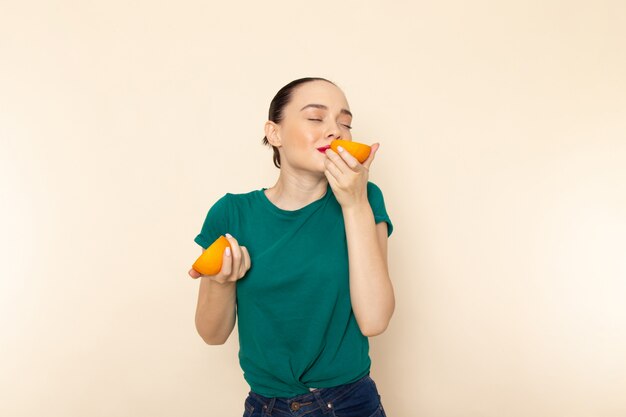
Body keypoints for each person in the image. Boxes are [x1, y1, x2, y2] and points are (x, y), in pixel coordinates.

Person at [188, 77, 394, 417]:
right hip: (266, 407)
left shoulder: (367, 200)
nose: (336, 131)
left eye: (345, 123)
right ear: (274, 133)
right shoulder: (231, 214)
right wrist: (220, 281)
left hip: (350, 403)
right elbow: (212, 334)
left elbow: (374, 320)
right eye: (316, 118)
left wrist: (354, 204)